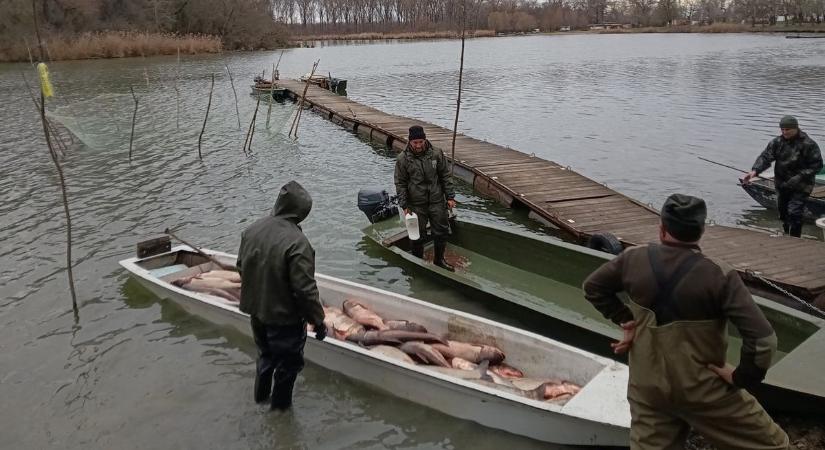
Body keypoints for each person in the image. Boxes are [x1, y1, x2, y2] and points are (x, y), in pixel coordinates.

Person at [582, 194, 789, 450]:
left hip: (648, 387)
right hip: (703, 389)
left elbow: (593, 288)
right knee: (774, 445)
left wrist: (626, 320)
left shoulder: (632, 259)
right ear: (701, 231)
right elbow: (763, 340)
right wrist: (740, 377)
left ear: (662, 229)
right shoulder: (719, 274)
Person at [236, 180, 327, 411]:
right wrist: (318, 320)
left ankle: (260, 399)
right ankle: (280, 416)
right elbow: (305, 290)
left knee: (265, 356)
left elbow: (240, 267)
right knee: (288, 367)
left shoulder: (251, 230)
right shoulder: (298, 243)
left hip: (256, 311)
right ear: (301, 212)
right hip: (284, 318)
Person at [742, 115, 823, 237]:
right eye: (783, 129)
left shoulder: (808, 144)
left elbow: (817, 165)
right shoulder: (777, 142)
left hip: (802, 185)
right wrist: (754, 171)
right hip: (782, 183)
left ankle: (795, 238)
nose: (785, 132)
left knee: (794, 212)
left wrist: (799, 177)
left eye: (788, 129)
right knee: (783, 212)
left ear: (796, 128)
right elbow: (766, 157)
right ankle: (786, 234)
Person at [394, 125, 457, 271]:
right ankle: (417, 262)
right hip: (416, 204)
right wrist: (404, 205)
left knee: (441, 231)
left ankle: (439, 260)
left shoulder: (436, 153)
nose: (418, 145)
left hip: (436, 200)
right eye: (415, 142)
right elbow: (400, 183)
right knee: (417, 236)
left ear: (425, 140)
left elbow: (445, 176)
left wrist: (450, 196)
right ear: (410, 142)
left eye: (421, 142)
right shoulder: (403, 159)